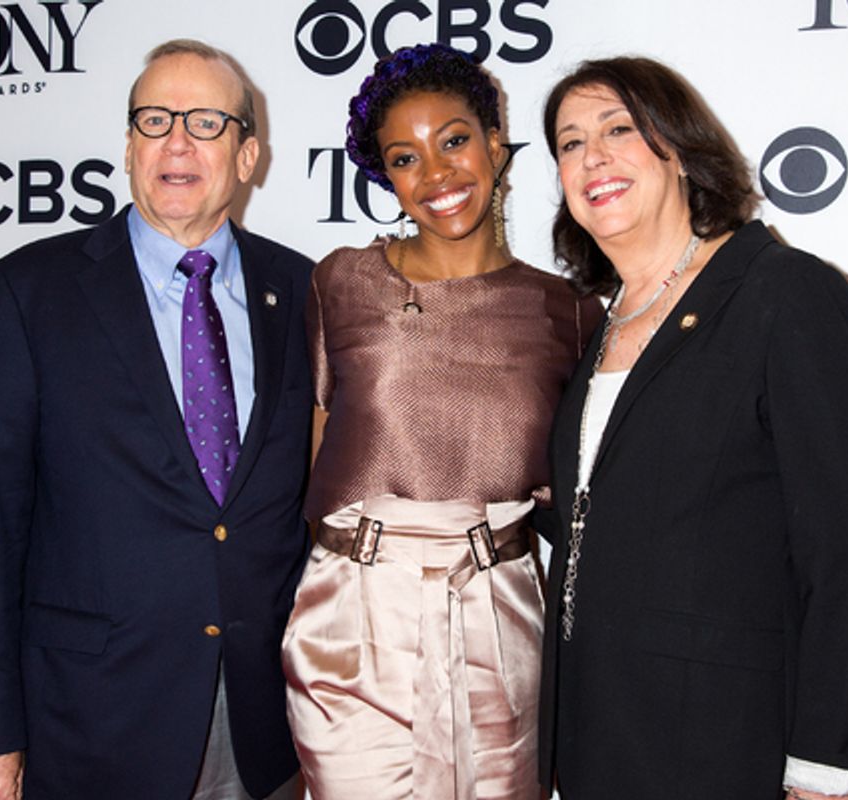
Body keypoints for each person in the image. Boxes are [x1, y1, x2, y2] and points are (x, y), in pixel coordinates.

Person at [0, 39, 312, 800]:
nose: (176, 140)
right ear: (130, 146)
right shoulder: (30, 290)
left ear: (247, 156)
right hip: (88, 721)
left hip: (261, 725)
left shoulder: (303, 288)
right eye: (154, 119)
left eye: (205, 122)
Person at [536, 57, 848, 799]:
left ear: (679, 147)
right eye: (569, 144)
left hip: (722, 745)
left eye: (618, 129)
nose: (591, 156)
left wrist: (829, 770)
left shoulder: (783, 294)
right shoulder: (605, 325)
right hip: (595, 733)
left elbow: (846, 556)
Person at [280, 43, 602, 800]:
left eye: (454, 140)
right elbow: (316, 449)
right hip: (352, 619)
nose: (436, 176)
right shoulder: (342, 283)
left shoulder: (572, 311)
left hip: (500, 607)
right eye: (404, 158)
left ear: (496, 142)